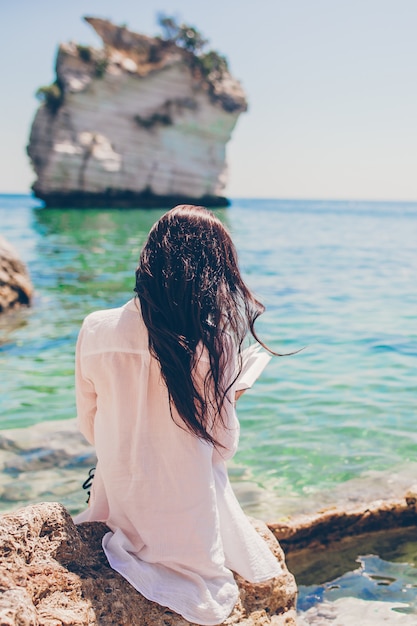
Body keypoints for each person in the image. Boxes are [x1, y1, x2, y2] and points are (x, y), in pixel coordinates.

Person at [74, 205, 282, 625]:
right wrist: (233, 392)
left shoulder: (95, 327)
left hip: (119, 501)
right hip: (188, 522)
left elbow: (90, 429)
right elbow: (222, 448)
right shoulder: (214, 343)